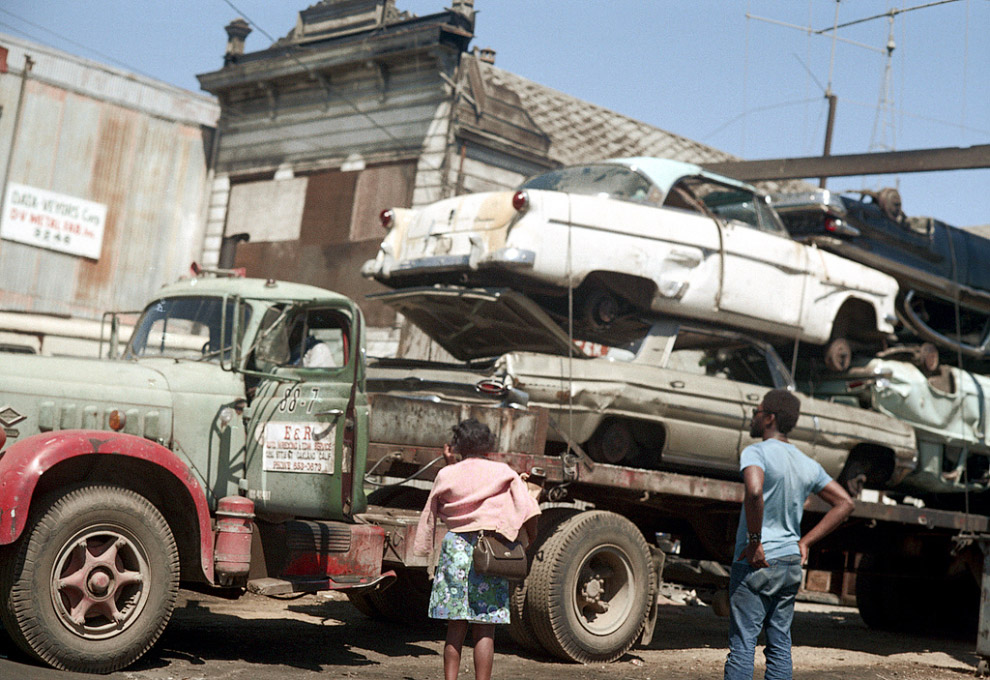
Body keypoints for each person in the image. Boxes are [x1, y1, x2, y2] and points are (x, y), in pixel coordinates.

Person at [724, 388, 854, 680]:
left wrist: (754, 542)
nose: (753, 417)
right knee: (780, 645)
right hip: (790, 562)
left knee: (743, 645)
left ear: (770, 418)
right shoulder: (807, 463)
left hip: (757, 562)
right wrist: (804, 542)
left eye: (757, 412)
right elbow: (845, 503)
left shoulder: (756, 452)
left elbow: (754, 491)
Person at [413, 418, 541, 680]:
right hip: (490, 550)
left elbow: (429, 512)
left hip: (455, 551)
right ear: (489, 444)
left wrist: (423, 546)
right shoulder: (503, 472)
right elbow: (528, 508)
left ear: (457, 444)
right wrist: (528, 537)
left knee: (455, 627)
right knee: (485, 628)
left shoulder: (447, 474)